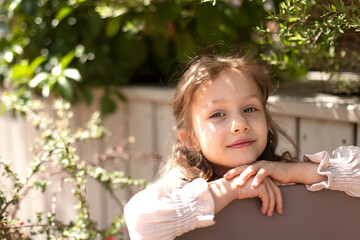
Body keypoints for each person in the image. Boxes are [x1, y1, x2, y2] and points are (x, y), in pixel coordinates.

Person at [124, 52, 360, 240]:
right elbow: (141, 223)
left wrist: (295, 171)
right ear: (191, 140)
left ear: (266, 122)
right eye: (217, 114)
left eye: (250, 109)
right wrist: (233, 189)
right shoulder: (180, 187)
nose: (240, 124)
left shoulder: (285, 175)